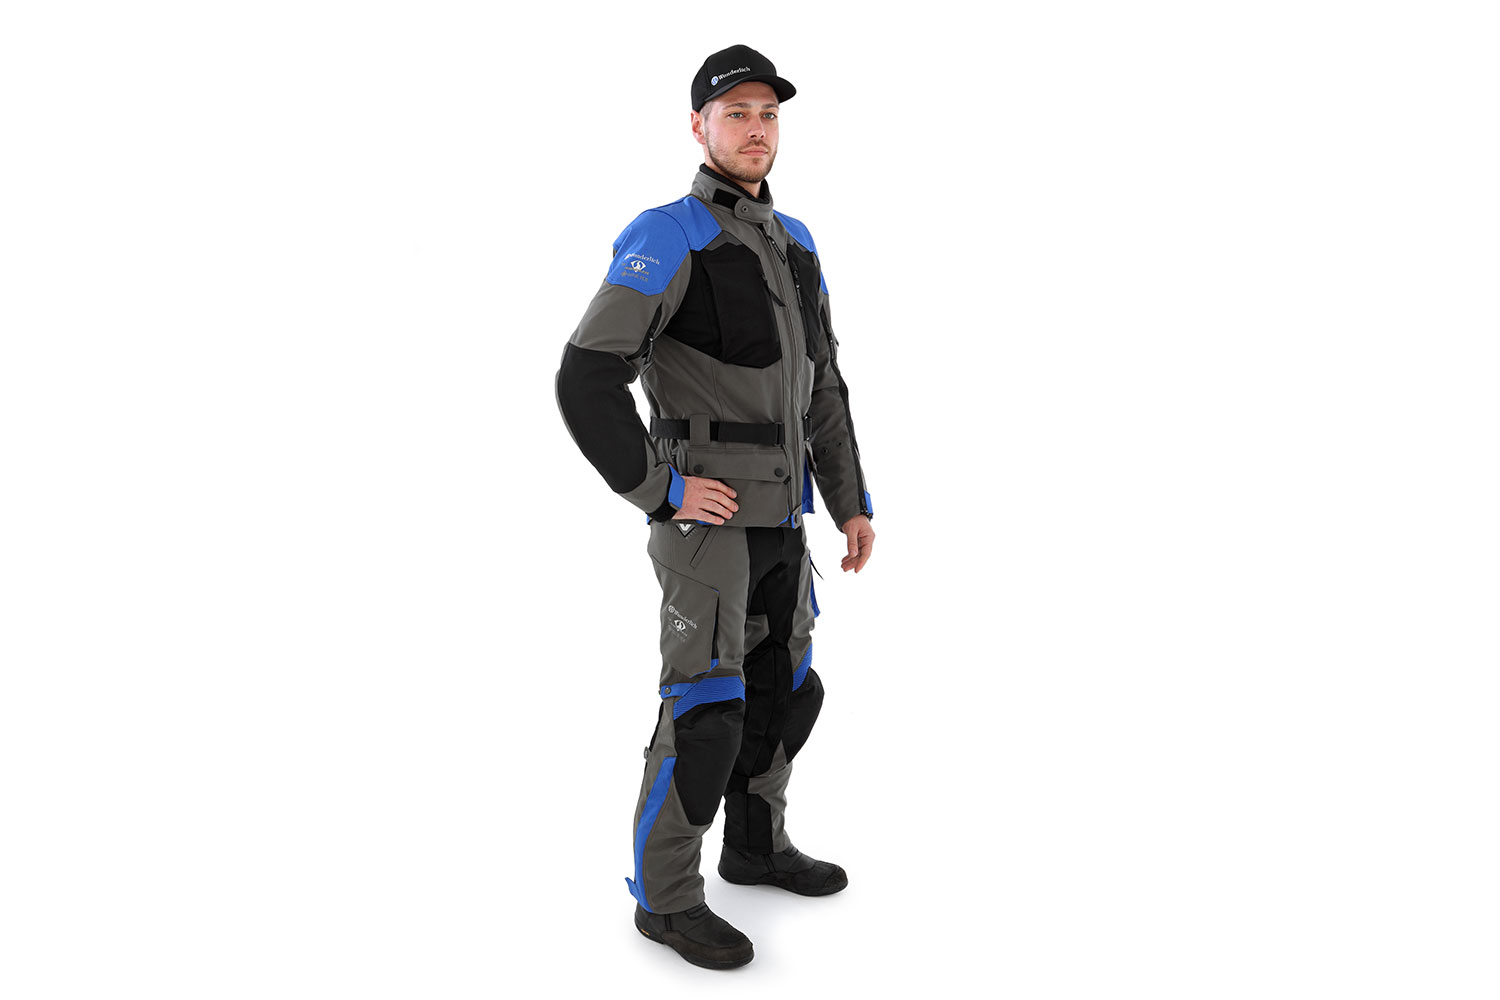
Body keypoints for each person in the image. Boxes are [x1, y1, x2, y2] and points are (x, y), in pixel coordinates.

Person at [555, 43, 876, 970]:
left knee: (786, 690)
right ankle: (665, 898)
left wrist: (850, 502)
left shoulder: (795, 241)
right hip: (708, 527)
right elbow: (585, 377)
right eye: (736, 113)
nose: (756, 128)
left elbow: (823, 389)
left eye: (768, 113)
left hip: (786, 519)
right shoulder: (668, 235)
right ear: (698, 126)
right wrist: (660, 489)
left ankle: (756, 846)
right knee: (707, 711)